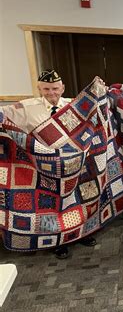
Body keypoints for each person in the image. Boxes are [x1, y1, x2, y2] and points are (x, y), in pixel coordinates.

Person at [0, 69, 97, 259]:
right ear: (39, 88)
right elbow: (4, 116)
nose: (51, 93)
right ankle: (57, 241)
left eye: (54, 88)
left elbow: (96, 114)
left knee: (79, 201)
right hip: (45, 168)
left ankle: (81, 233)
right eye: (46, 89)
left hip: (75, 166)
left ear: (62, 88)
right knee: (52, 206)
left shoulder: (74, 106)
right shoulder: (26, 107)